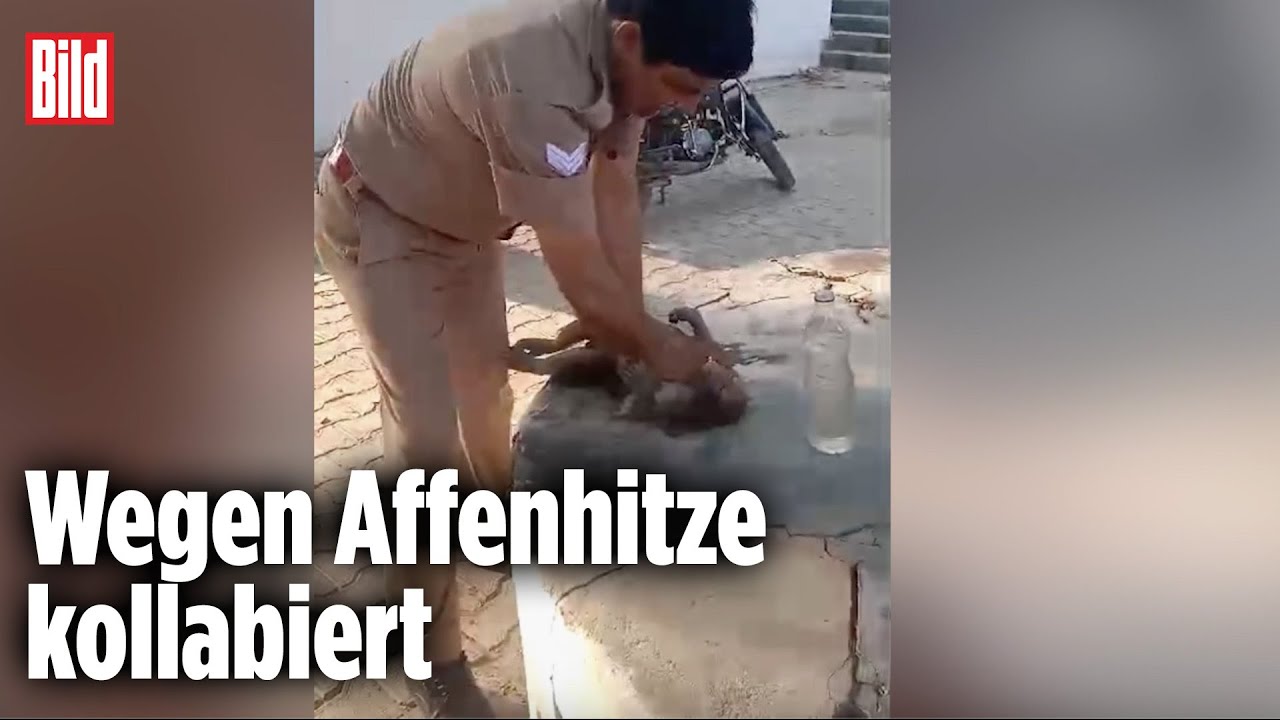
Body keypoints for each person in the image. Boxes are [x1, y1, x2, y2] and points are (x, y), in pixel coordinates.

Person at [313, 0, 755, 715]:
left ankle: (486, 533)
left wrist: (631, 341)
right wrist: (654, 343)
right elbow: (575, 263)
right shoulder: (533, 77)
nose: (687, 105)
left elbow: (613, 190)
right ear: (630, 40)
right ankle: (435, 660)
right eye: (681, 86)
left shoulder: (625, 62)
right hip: (380, 219)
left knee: (486, 402)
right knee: (427, 441)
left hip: (462, 231)